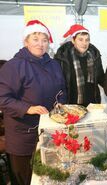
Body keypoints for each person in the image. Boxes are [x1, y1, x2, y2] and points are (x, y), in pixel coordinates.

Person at [0, 20, 67, 185]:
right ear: (26, 41)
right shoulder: (14, 66)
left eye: (44, 40)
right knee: (25, 178)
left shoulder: (54, 65)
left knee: (48, 176)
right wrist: (28, 108)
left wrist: (60, 103)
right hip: (23, 135)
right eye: (35, 39)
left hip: (49, 132)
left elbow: (62, 89)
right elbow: (3, 98)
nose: (41, 44)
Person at [54, 24, 105, 106]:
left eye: (87, 40)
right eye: (80, 40)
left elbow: (100, 77)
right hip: (70, 104)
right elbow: (58, 83)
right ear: (73, 41)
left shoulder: (94, 55)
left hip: (92, 104)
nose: (84, 43)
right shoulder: (63, 57)